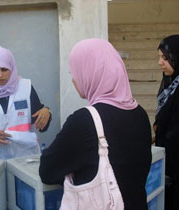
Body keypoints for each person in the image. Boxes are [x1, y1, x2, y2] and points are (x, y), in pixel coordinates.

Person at [39, 38, 152, 209]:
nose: (74, 80)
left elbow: (47, 171)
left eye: (75, 73)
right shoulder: (140, 113)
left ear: (91, 72)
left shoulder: (85, 121)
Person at [0, 46, 51, 159]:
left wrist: (46, 112)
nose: (0, 75)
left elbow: (42, 126)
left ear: (11, 68)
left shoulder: (26, 88)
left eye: (4, 69)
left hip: (25, 158)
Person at [154, 34, 179, 210]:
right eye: (159, 57)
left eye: (165, 58)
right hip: (167, 168)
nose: (160, 63)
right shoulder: (170, 85)